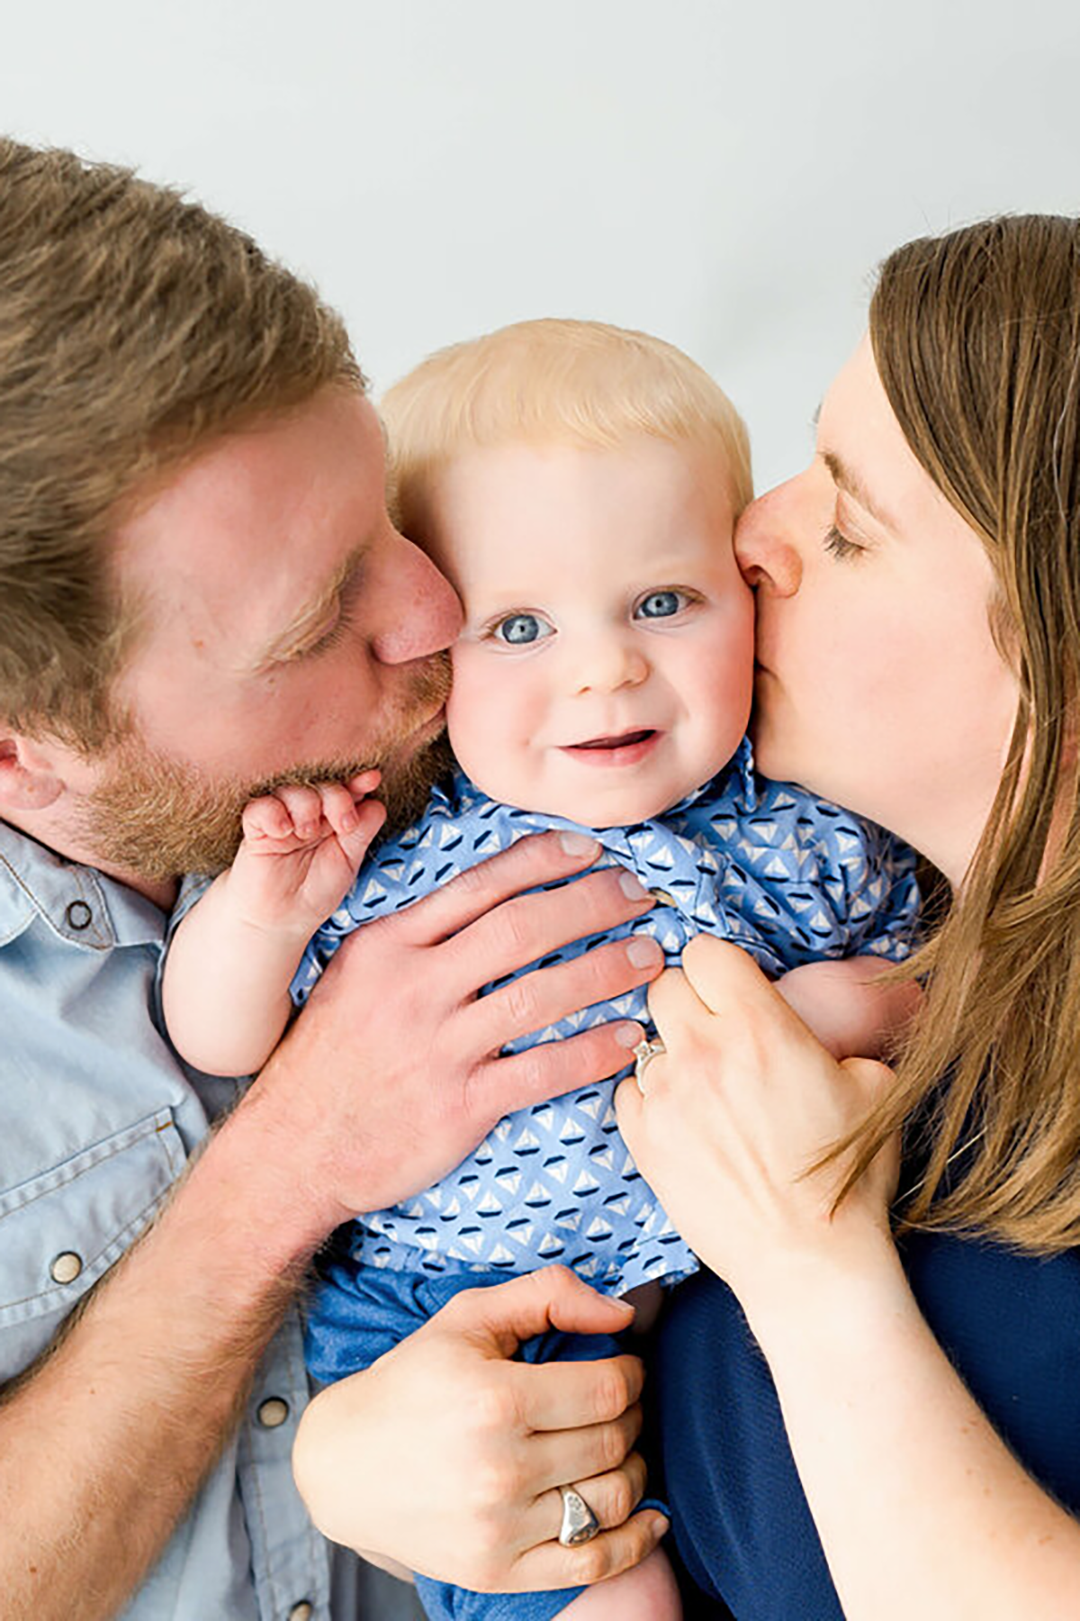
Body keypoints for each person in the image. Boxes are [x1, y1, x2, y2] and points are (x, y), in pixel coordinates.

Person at [295, 215, 1080, 1619]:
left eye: (845, 522)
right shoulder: (892, 948)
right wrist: (351, 1457)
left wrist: (809, 1271)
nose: (753, 535)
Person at [0, 138, 675, 1621]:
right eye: (319, 620)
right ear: (21, 753)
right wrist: (288, 1165)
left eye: (385, 516)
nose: (436, 610)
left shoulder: (512, 723)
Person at [163, 318, 920, 1621]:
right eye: (518, 625)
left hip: (714, 1285)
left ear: (749, 587)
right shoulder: (392, 836)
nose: (604, 667)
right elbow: (220, 1035)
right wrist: (261, 917)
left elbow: (952, 974)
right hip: (450, 1310)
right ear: (426, 645)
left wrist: (859, 1006)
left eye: (663, 602)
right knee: (603, 1598)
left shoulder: (800, 824)